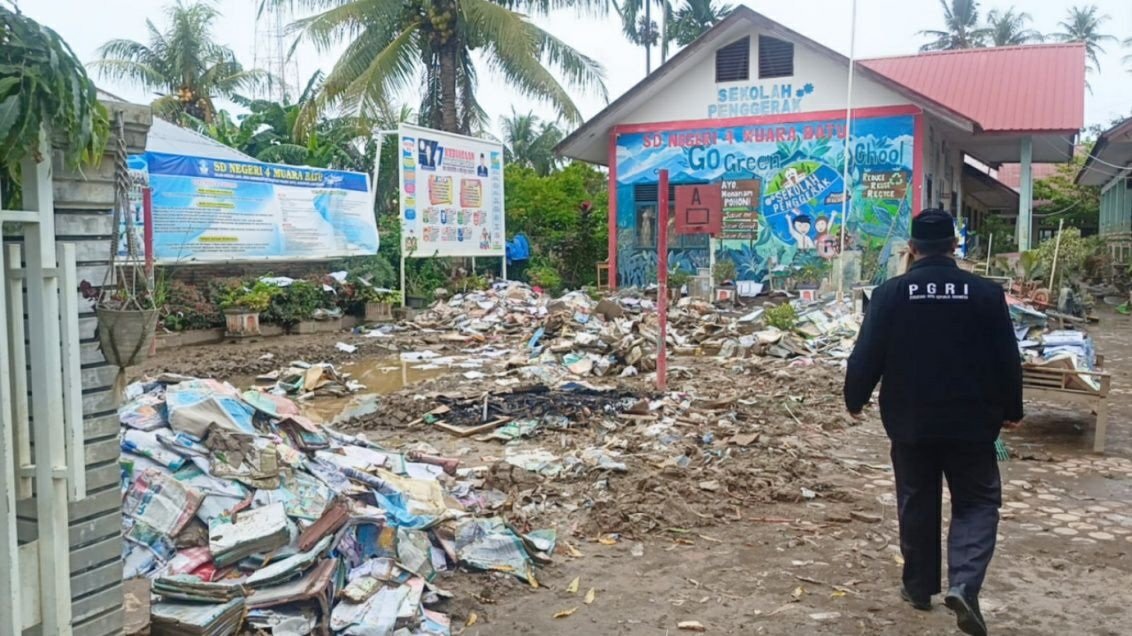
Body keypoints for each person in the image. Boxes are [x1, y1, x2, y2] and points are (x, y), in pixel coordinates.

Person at [843, 208, 1022, 636]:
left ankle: (919, 587)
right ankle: (963, 583)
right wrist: (1012, 410)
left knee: (917, 499)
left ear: (912, 248)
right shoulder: (984, 293)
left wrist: (855, 397)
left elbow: (866, 354)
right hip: (973, 422)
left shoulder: (889, 294)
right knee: (978, 503)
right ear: (955, 246)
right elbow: (1007, 358)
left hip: (911, 421)